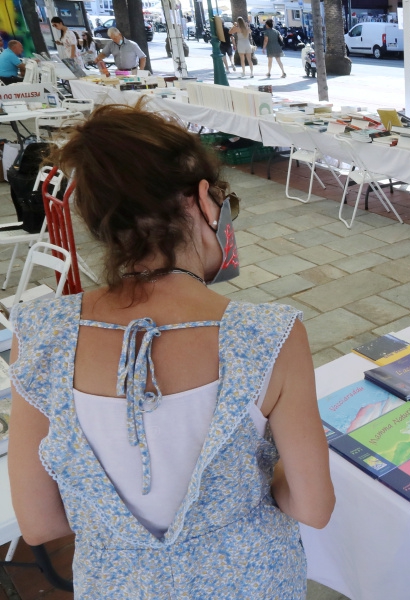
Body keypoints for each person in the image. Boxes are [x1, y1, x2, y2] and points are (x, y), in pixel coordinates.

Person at [8, 104, 335, 596]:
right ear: (202, 201)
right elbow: (313, 506)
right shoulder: (268, 335)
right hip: (252, 582)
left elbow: (39, 523)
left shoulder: (39, 333)